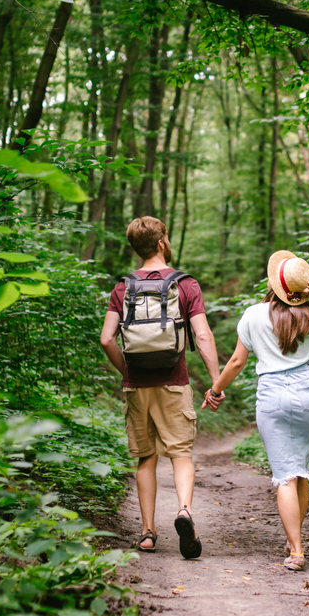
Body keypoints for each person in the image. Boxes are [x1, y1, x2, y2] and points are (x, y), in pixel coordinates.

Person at [202, 250, 309, 571]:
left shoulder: (253, 315)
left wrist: (216, 390)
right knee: (301, 470)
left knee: (285, 475)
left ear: (273, 284)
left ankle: (296, 550)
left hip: (272, 395)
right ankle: (295, 538)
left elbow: (237, 362)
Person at [99, 216, 223, 559]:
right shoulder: (185, 285)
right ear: (161, 244)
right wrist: (216, 381)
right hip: (174, 381)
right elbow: (202, 335)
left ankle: (148, 533)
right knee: (180, 453)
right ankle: (183, 510)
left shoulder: (123, 288)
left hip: (136, 386)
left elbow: (107, 338)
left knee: (145, 458)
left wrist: (127, 369)